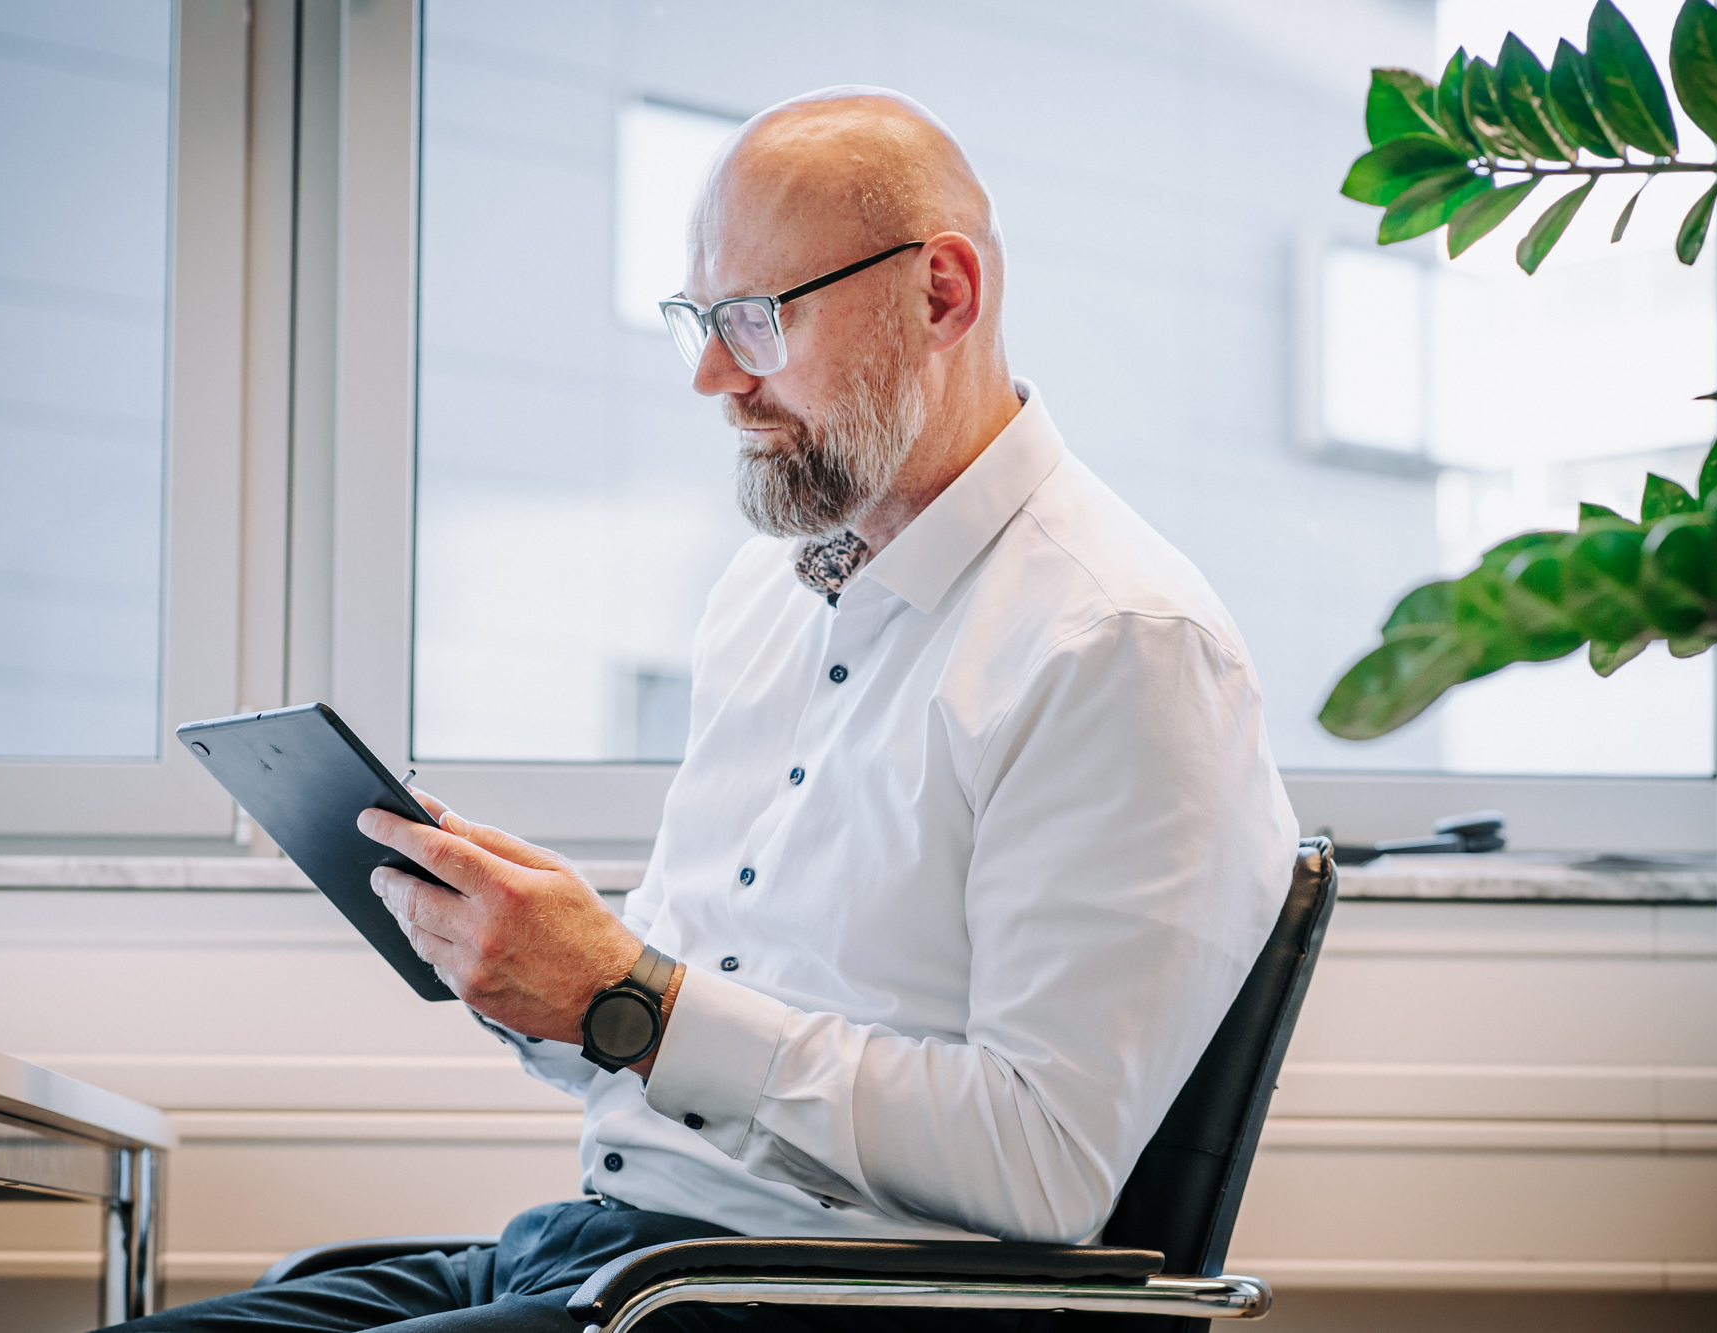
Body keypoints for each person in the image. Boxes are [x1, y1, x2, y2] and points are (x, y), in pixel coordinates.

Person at [110, 85, 1297, 1333]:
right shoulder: (761, 596)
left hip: (804, 1296)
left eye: (756, 318)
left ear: (941, 293)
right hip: (604, 1253)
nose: (711, 376)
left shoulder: (1117, 642)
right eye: (699, 317)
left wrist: (639, 999)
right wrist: (530, 970)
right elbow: (673, 1039)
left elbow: (1041, 1159)